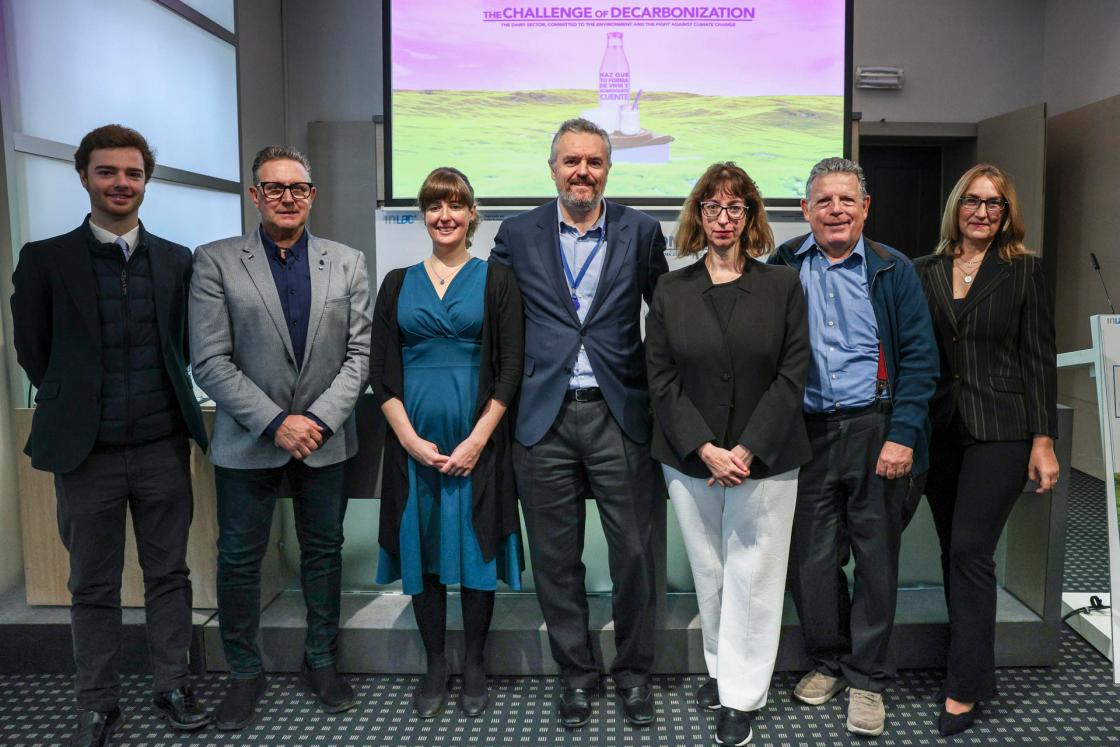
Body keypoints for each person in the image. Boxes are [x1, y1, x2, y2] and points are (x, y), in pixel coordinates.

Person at [10, 124, 211, 747]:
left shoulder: (177, 260)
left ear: (146, 182)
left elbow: (183, 346)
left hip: (160, 446)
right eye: (107, 171)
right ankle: (97, 703)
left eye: (132, 173)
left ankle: (172, 685)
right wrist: (76, 403)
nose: (121, 183)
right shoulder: (45, 260)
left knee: (169, 575)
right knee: (92, 585)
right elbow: (34, 351)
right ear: (84, 177)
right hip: (85, 454)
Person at [490, 118, 668, 728]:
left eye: (594, 161)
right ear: (553, 169)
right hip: (543, 417)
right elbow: (497, 320)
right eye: (571, 161)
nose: (582, 172)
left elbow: (667, 317)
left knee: (635, 554)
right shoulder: (517, 234)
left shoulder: (641, 231)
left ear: (608, 170)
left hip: (620, 415)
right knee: (555, 558)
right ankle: (576, 675)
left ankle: (634, 673)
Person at [189, 145, 371, 730]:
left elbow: (360, 355)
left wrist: (316, 419)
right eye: (274, 187)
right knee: (240, 560)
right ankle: (245, 673)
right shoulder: (215, 261)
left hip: (324, 437)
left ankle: (321, 661)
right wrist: (276, 422)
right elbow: (209, 361)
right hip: (248, 439)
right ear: (255, 195)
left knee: (323, 553)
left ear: (312, 195)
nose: (286, 197)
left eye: (297, 188)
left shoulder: (347, 261)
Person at [769, 157, 939, 738]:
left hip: (876, 429)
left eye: (847, 200)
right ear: (805, 210)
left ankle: (868, 678)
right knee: (811, 561)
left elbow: (921, 361)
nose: (835, 210)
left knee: (875, 560)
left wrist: (903, 434)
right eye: (824, 201)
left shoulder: (894, 269)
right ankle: (829, 662)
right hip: (806, 435)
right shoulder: (783, 265)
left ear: (865, 208)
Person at [646, 162, 811, 746]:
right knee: (711, 573)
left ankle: (742, 695)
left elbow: (793, 374)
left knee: (754, 577)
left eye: (734, 208)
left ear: (750, 216)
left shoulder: (782, 285)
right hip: (690, 457)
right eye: (712, 207)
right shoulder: (670, 290)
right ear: (698, 214)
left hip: (765, 458)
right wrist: (705, 448)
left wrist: (745, 448)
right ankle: (722, 670)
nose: (723, 218)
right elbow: (660, 377)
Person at [370, 167, 524, 718]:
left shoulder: (497, 280)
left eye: (456, 205)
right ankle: (436, 664)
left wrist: (478, 440)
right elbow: (380, 372)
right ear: (423, 215)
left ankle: (475, 663)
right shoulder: (396, 283)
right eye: (435, 205)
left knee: (477, 552)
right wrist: (409, 440)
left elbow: (510, 370)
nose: (445, 215)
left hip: (479, 444)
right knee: (425, 553)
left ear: (472, 214)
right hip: (414, 448)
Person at [914, 164, 1058, 737]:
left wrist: (1044, 440)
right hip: (939, 429)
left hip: (1001, 428)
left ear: (1006, 213)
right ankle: (963, 657)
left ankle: (966, 684)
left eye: (994, 204)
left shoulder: (1024, 271)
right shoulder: (924, 271)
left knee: (972, 550)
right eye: (972, 201)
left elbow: (1038, 358)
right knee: (953, 550)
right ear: (956, 207)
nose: (982, 212)